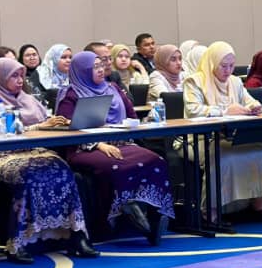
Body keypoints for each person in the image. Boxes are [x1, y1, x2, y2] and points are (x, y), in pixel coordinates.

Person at [0, 58, 97, 262]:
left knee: (64, 172)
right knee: (29, 177)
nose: (20, 80)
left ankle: (76, 235)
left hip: (37, 151)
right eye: (14, 76)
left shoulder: (29, 99)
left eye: (21, 75)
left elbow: (45, 122)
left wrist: (60, 123)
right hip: (5, 155)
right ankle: (17, 243)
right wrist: (38, 127)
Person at [56, 52, 174, 244]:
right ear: (82, 71)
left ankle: (155, 215)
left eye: (100, 65)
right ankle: (127, 209)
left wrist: (137, 124)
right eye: (94, 67)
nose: (100, 69)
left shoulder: (113, 88)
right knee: (118, 165)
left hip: (121, 143)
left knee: (156, 161)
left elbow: (131, 115)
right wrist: (98, 144)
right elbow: (66, 129)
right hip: (85, 148)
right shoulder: (71, 94)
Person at [183, 41, 262, 219]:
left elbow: (249, 101)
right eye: (223, 66)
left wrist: (254, 107)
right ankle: (211, 210)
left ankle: (257, 204)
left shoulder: (235, 81)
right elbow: (193, 110)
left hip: (230, 137)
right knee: (221, 156)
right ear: (212, 63)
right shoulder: (194, 81)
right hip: (200, 139)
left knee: (259, 151)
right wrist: (224, 111)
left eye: (232, 66)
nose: (228, 70)